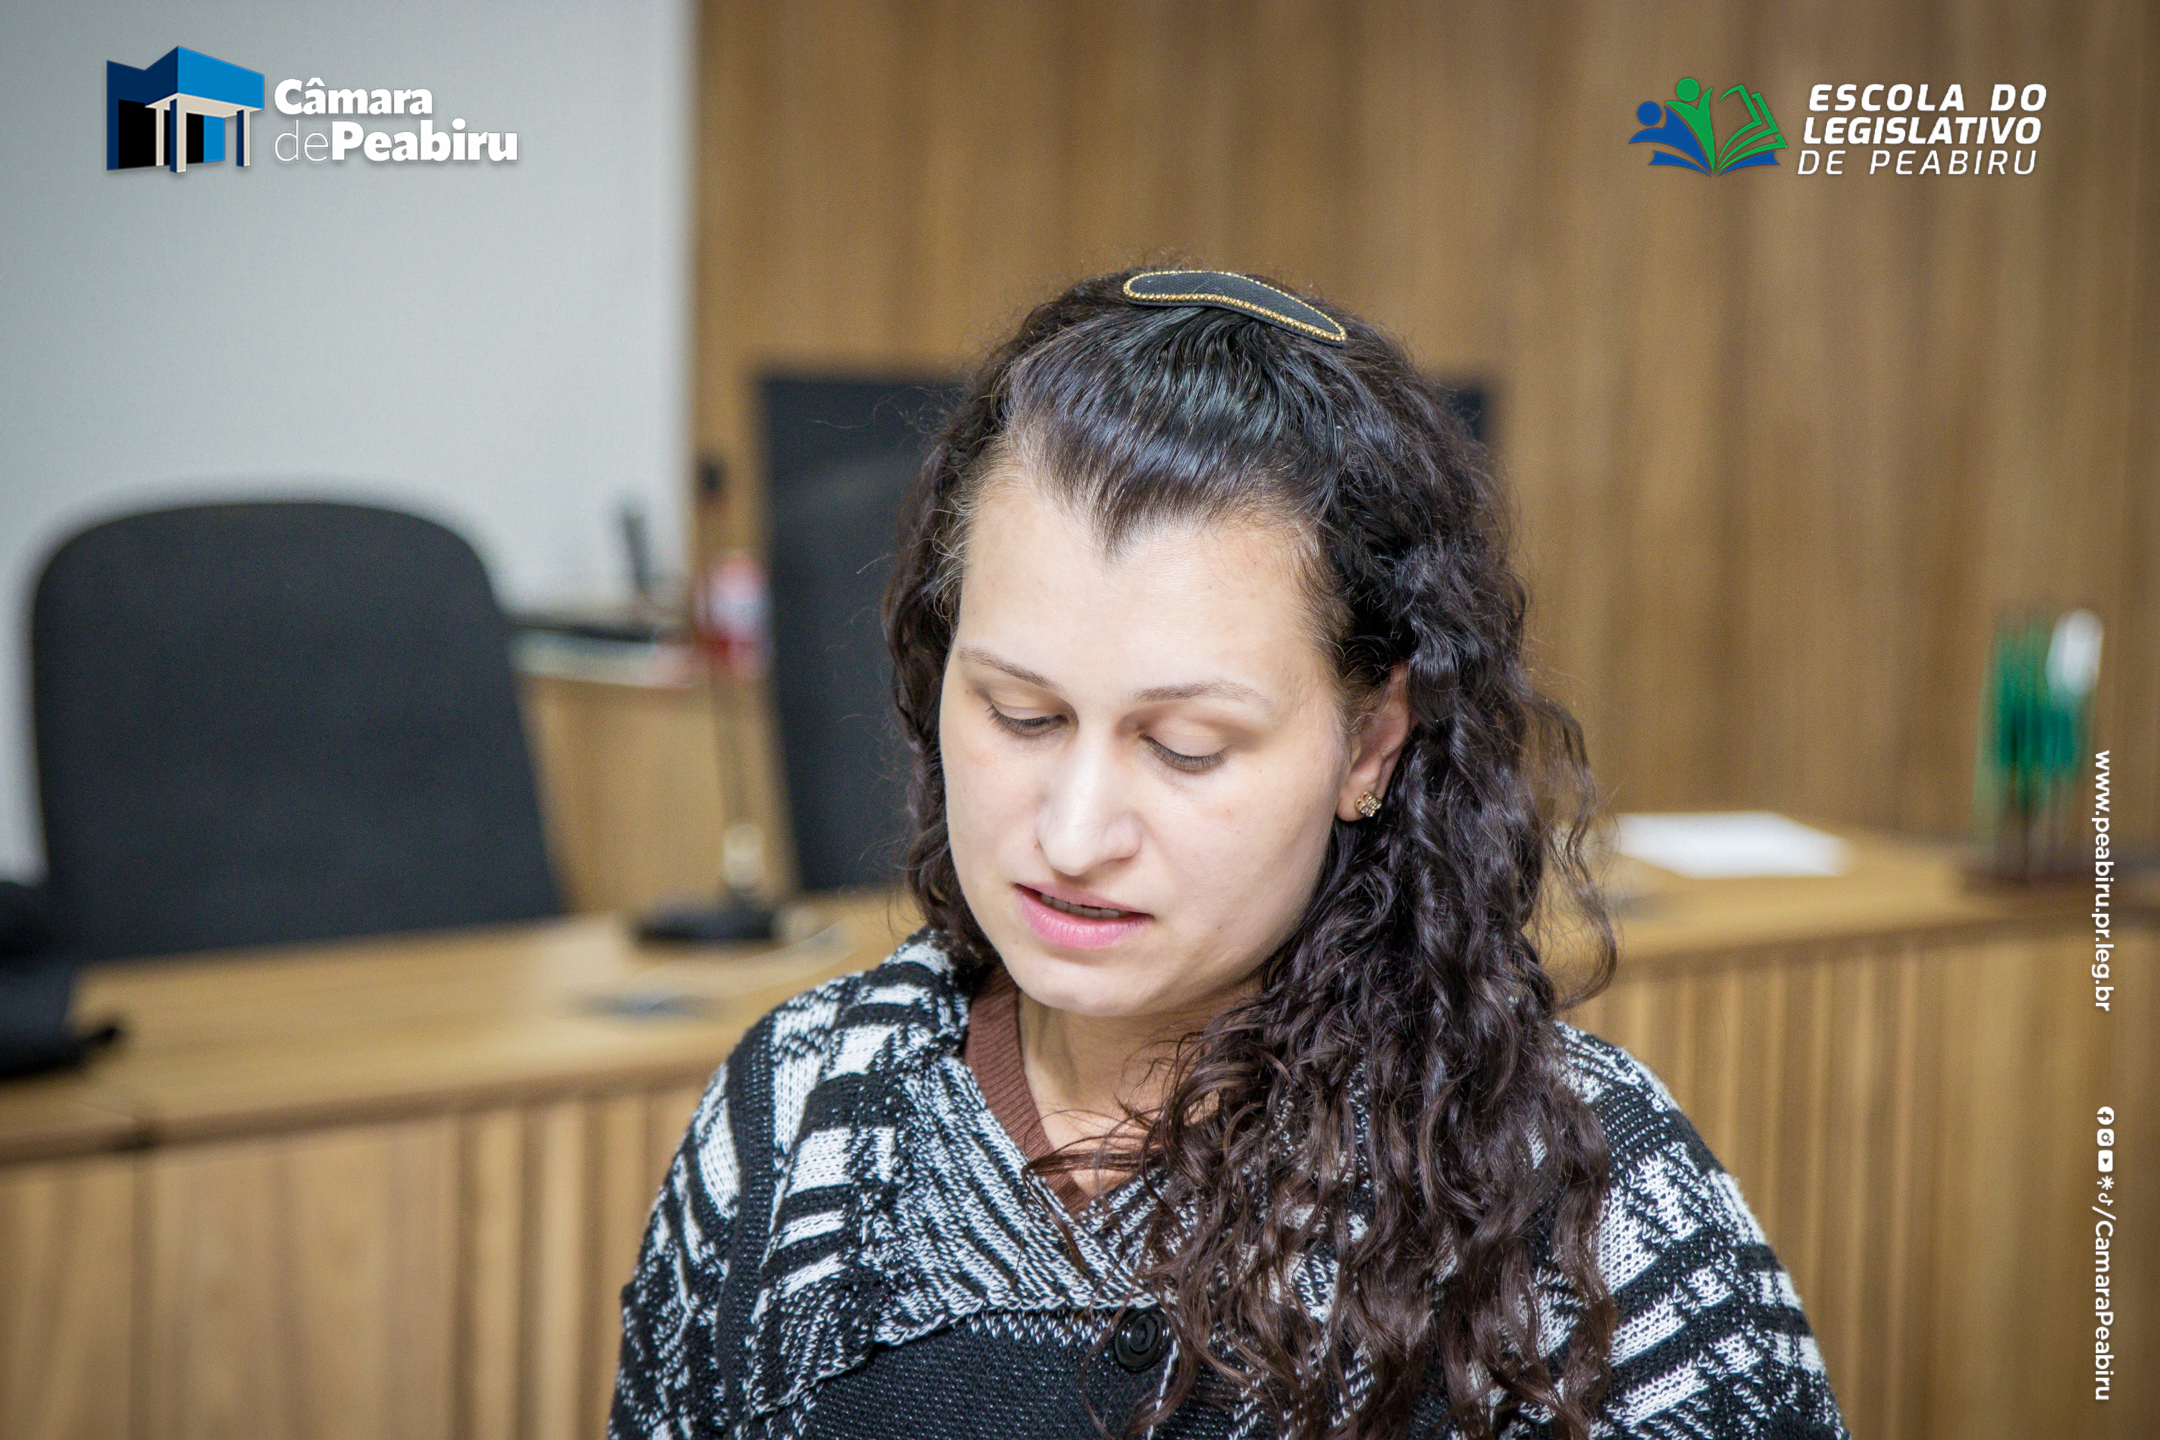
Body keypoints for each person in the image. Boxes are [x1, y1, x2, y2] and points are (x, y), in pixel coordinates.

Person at [610, 268, 1850, 1439]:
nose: (1073, 834)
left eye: (1187, 747)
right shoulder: (801, 1123)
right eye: (1020, 715)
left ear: (1371, 743)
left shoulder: (1576, 1205)